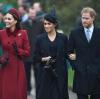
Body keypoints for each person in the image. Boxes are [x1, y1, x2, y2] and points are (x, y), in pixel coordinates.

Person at [34, 8, 69, 99]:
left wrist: (72, 56)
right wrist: (43, 59)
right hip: (45, 74)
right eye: (45, 24)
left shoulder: (63, 38)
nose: (46, 26)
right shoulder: (39, 39)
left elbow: (67, 54)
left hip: (59, 74)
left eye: (49, 24)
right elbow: (35, 57)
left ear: (55, 24)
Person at [68, 7, 100, 99]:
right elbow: (68, 52)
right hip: (80, 75)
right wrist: (76, 66)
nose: (84, 20)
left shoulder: (99, 33)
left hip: (97, 76)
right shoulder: (74, 33)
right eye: (83, 18)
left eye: (87, 18)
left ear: (93, 18)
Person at [0, 8, 30, 99]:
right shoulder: (1, 33)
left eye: (9, 19)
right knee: (6, 92)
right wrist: (1, 59)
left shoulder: (23, 33)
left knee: (18, 93)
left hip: (18, 67)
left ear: (15, 21)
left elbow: (27, 52)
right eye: (6, 18)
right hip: (6, 67)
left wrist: (18, 51)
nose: (6, 21)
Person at [21, 7, 44, 95]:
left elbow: (43, 37)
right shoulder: (23, 24)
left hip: (37, 53)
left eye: (33, 13)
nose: (32, 15)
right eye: (31, 13)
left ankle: (38, 89)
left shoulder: (40, 24)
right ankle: (28, 89)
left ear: (35, 14)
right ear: (28, 14)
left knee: (38, 72)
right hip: (26, 53)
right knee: (26, 73)